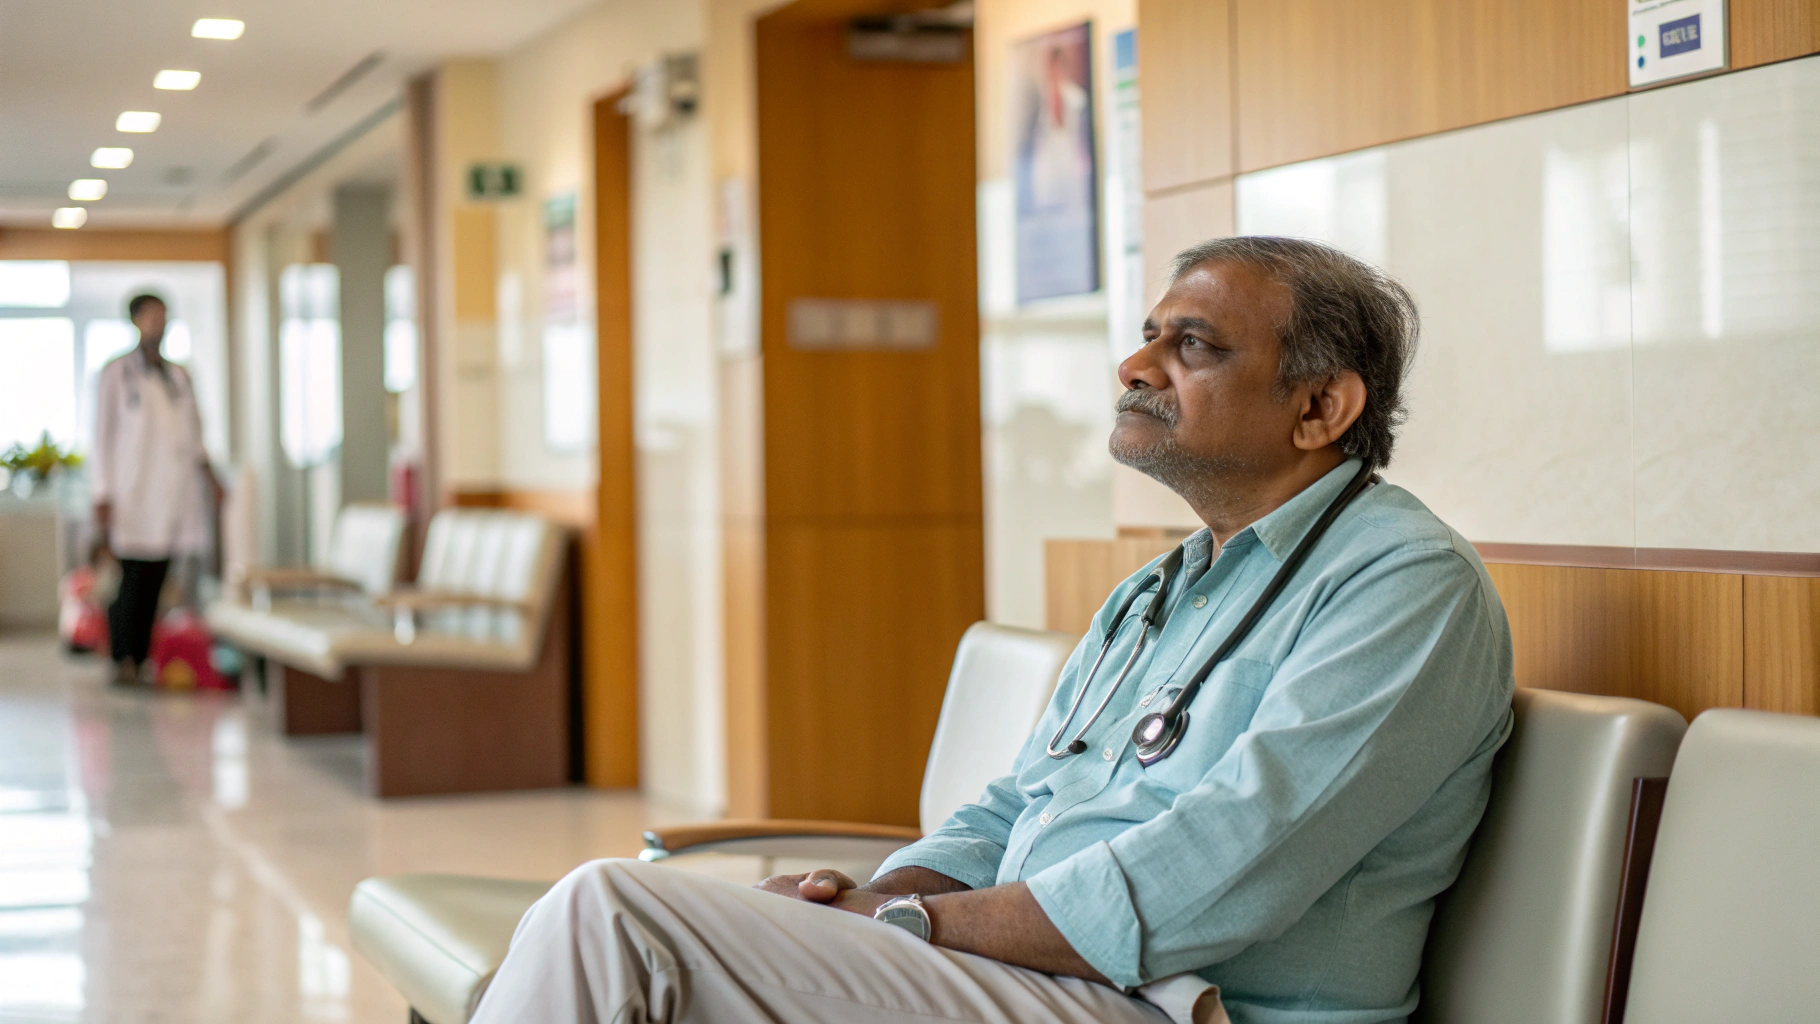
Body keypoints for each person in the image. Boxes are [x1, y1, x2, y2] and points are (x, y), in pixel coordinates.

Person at [469, 238, 1516, 1024]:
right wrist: (887, 891)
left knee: (612, 914)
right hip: (1042, 974)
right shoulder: (1158, 590)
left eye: (1189, 343)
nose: (1136, 366)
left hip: (1181, 1002)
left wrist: (914, 927)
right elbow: (1019, 802)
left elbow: (1224, 868)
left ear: (1320, 405)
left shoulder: (1401, 585)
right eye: (1148, 334)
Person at [90, 293, 220, 686]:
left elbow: (194, 433)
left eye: (162, 317)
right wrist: (102, 494)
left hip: (171, 494)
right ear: (134, 321)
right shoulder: (115, 374)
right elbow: (100, 437)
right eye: (150, 317)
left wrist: (212, 477)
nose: (157, 324)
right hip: (132, 493)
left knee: (158, 581)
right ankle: (122, 659)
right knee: (130, 581)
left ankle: (143, 659)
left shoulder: (179, 376)